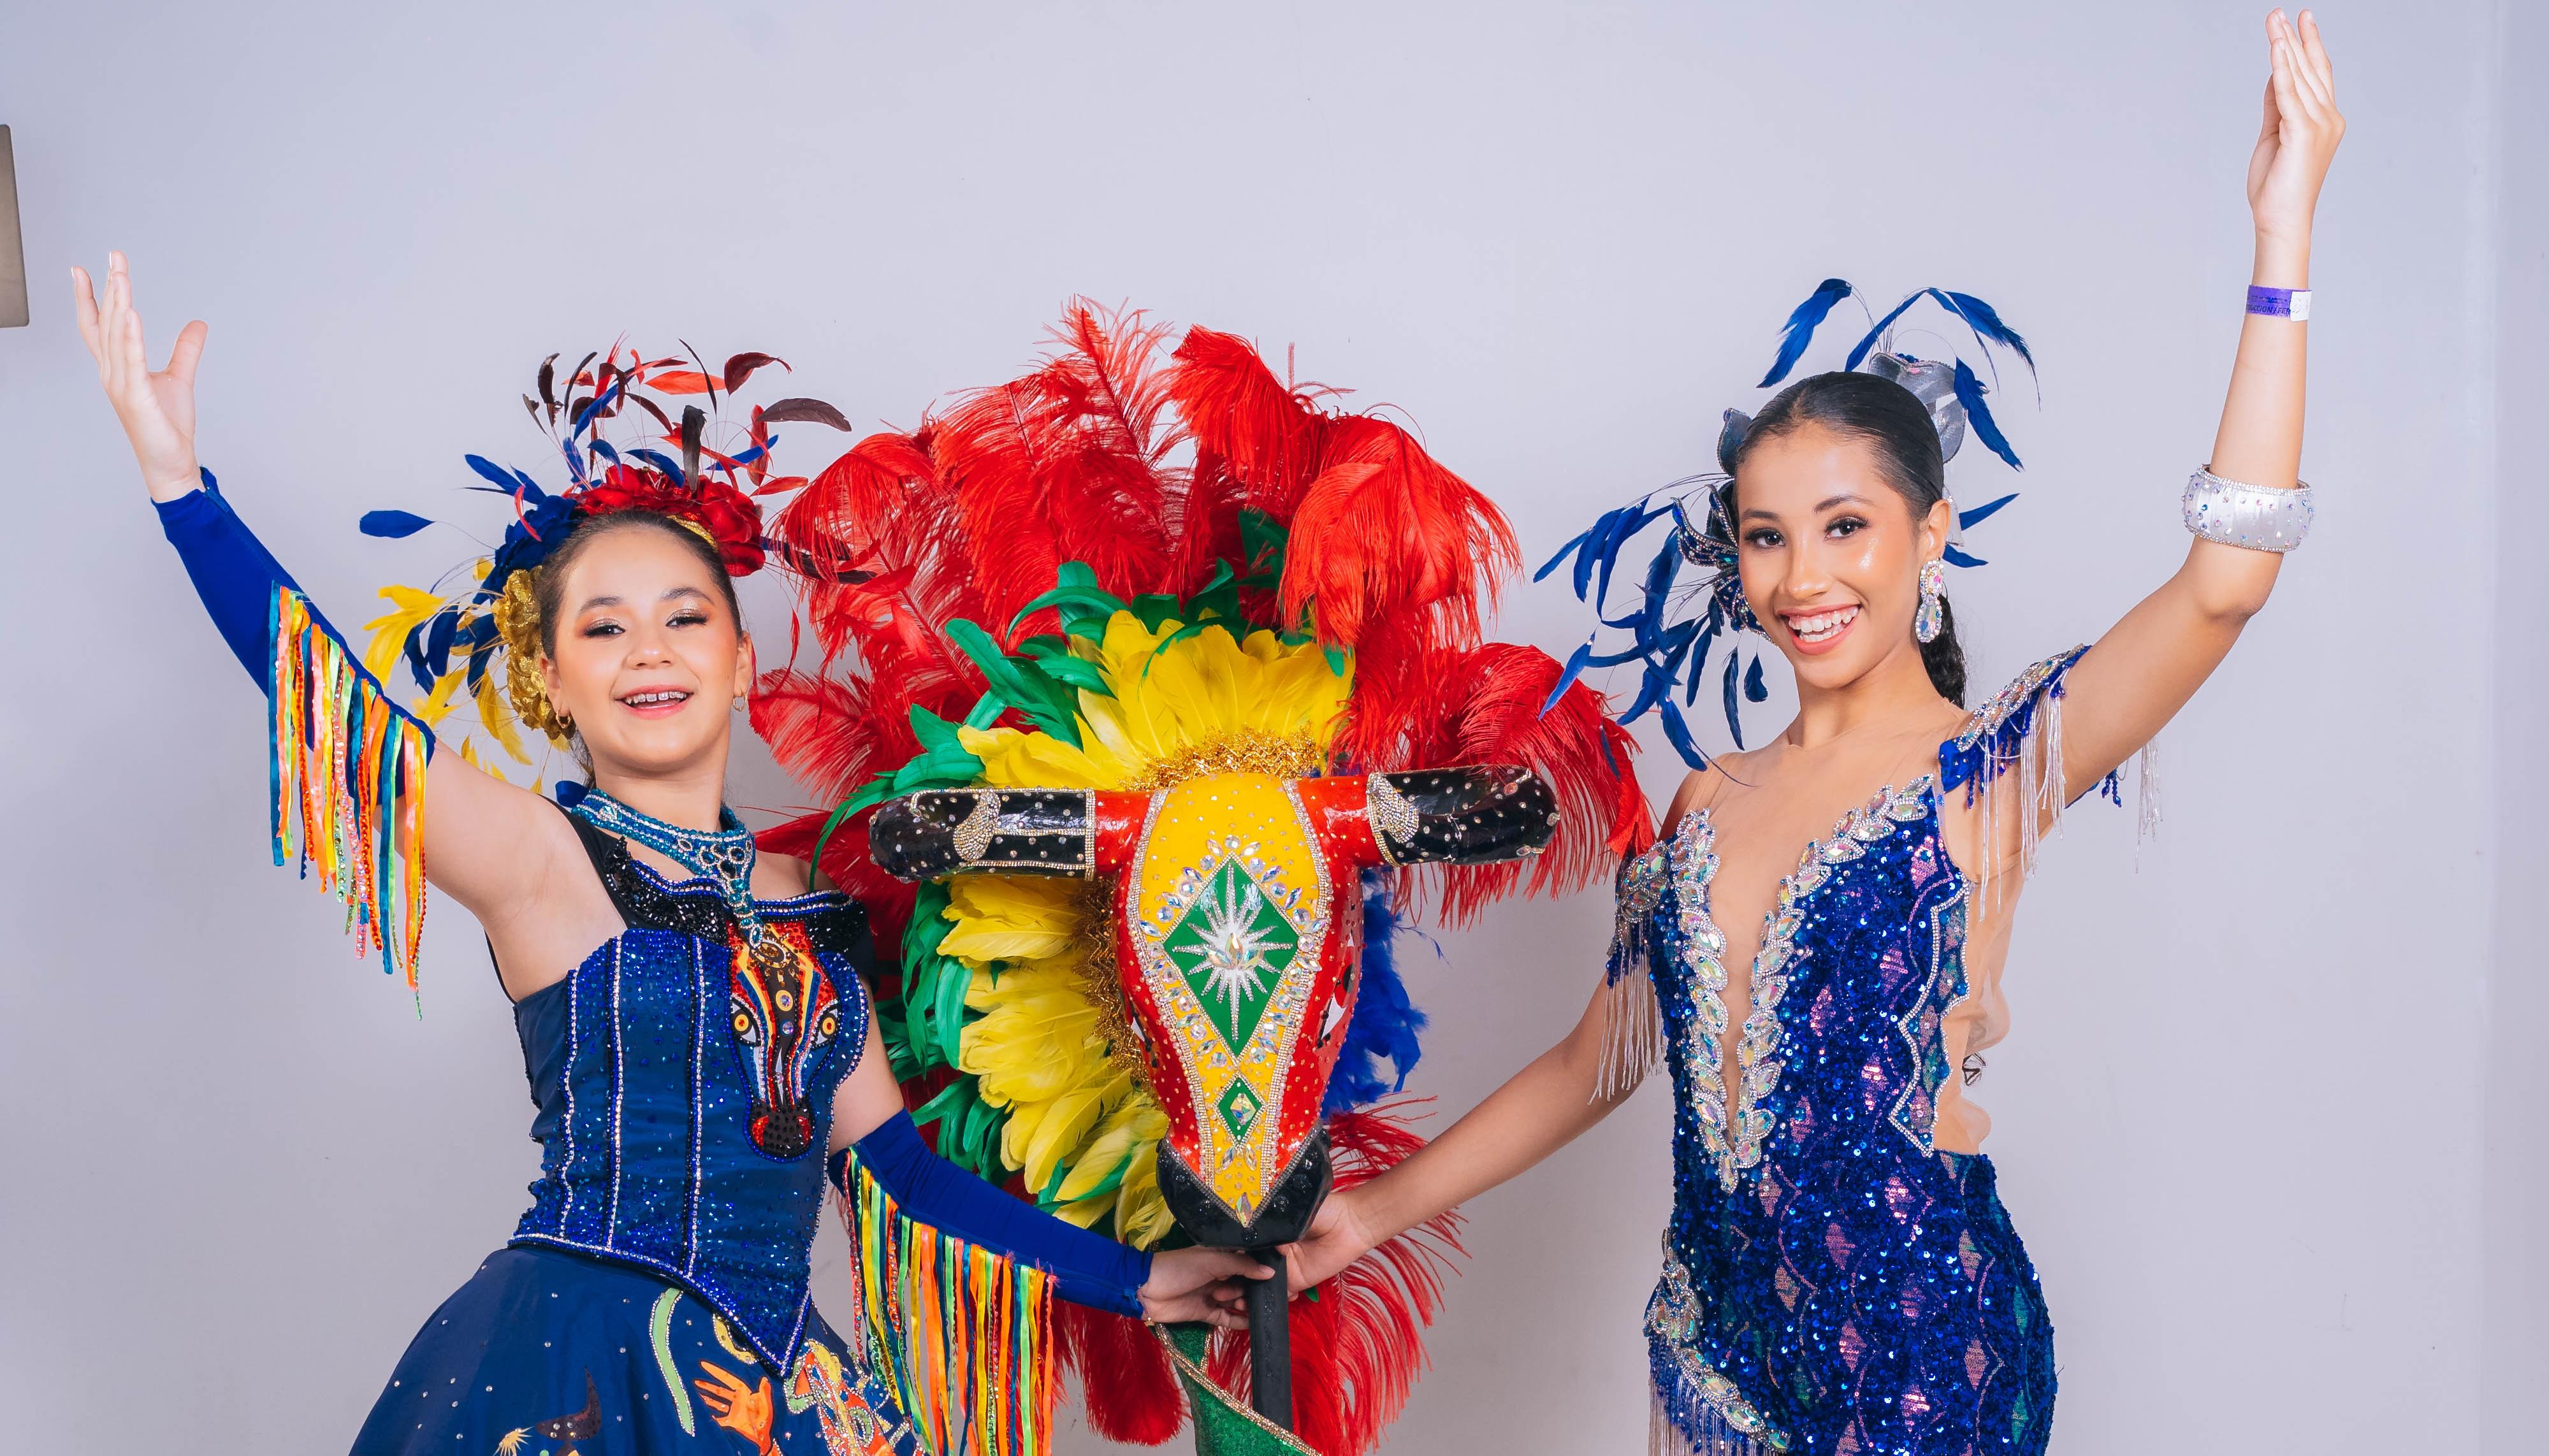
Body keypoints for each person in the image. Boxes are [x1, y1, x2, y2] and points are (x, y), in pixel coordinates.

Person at [1278, 10, 2344, 1455]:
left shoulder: (1994, 766)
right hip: (1713, 1351)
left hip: (1921, 1359)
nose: (1804, 577)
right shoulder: (1705, 800)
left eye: (1846, 528)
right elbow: (1600, 1058)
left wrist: (2279, 242)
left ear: (1929, 534)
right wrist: (1369, 1216)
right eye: (1767, 538)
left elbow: (2225, 585)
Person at [73, 257, 1265, 1456]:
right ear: (554, 677)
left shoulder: (815, 917)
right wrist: (183, 486)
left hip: (788, 1391)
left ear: (741, 662)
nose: (650, 648)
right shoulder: (543, 862)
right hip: (577, 1359)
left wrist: (1141, 1278)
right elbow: (338, 714)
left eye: (685, 615)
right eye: (605, 626)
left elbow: (907, 1181)